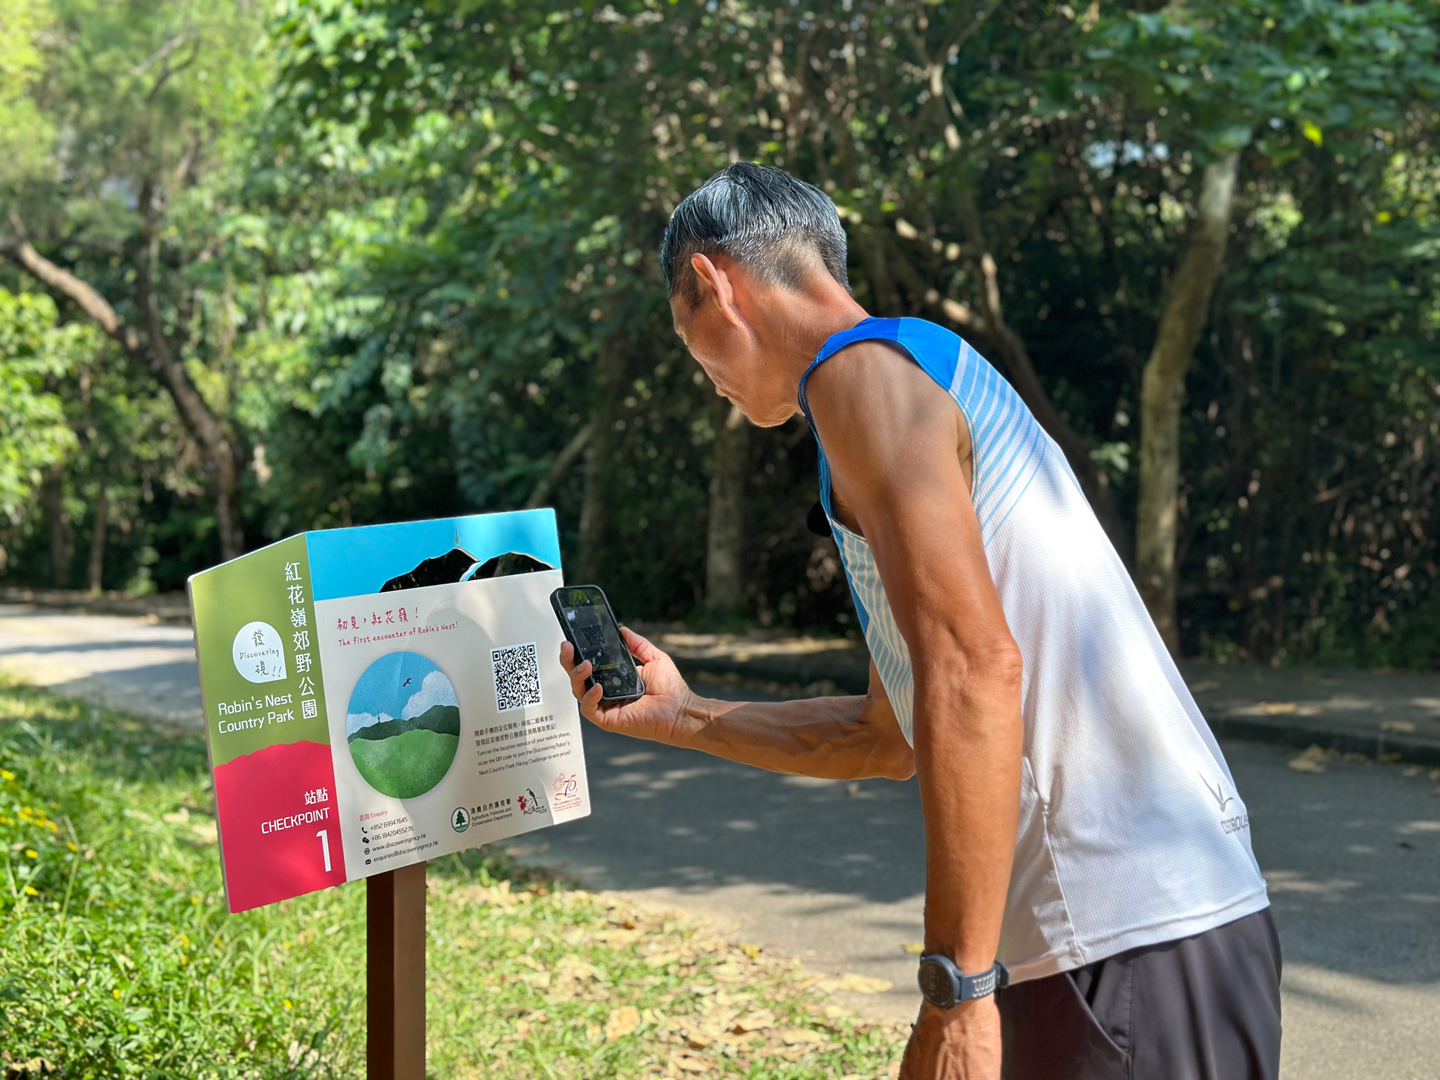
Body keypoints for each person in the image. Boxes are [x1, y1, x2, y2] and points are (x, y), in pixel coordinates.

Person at [558, 162, 1281, 1080]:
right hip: (1170, 928)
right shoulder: (915, 369)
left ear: (712, 282)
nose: (710, 385)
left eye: (691, 345)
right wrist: (684, 713)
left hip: (1114, 937)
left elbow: (976, 673)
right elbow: (888, 735)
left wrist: (956, 992)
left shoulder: (859, 376)